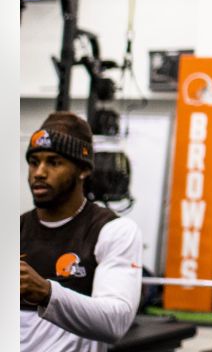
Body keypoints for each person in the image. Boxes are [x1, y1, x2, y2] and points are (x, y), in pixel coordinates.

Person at [21, 112, 143, 351]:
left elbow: (115, 322)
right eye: (34, 162)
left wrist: (46, 293)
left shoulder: (113, 231)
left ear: (83, 170)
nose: (39, 173)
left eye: (54, 162)